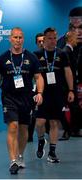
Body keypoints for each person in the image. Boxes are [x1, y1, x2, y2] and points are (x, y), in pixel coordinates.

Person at [0, 27, 44, 174]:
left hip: (27, 98)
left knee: (23, 129)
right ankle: (13, 160)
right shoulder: (2, 58)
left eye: (20, 37)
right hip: (9, 97)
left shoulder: (31, 57)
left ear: (23, 39)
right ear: (10, 39)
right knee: (13, 126)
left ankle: (20, 155)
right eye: (15, 37)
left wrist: (40, 92)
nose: (17, 40)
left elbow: (39, 77)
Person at [34, 27, 74, 163]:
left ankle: (52, 152)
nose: (53, 41)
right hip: (42, 94)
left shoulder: (62, 54)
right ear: (44, 40)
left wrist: (71, 90)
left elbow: (68, 72)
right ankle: (41, 141)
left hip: (58, 94)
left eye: (55, 38)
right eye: (50, 38)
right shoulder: (36, 55)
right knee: (39, 123)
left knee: (54, 122)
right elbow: (32, 75)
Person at [57, 6, 82, 137]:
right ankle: (69, 129)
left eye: (79, 19)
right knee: (68, 103)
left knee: (75, 106)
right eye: (73, 19)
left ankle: (75, 128)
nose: (76, 21)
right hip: (66, 77)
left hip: (79, 76)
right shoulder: (62, 39)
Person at [28, 32, 45, 142]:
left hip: (51, 89)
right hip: (36, 88)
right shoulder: (33, 56)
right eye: (39, 41)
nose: (42, 43)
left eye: (43, 41)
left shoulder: (54, 54)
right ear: (36, 43)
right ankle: (29, 136)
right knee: (34, 113)